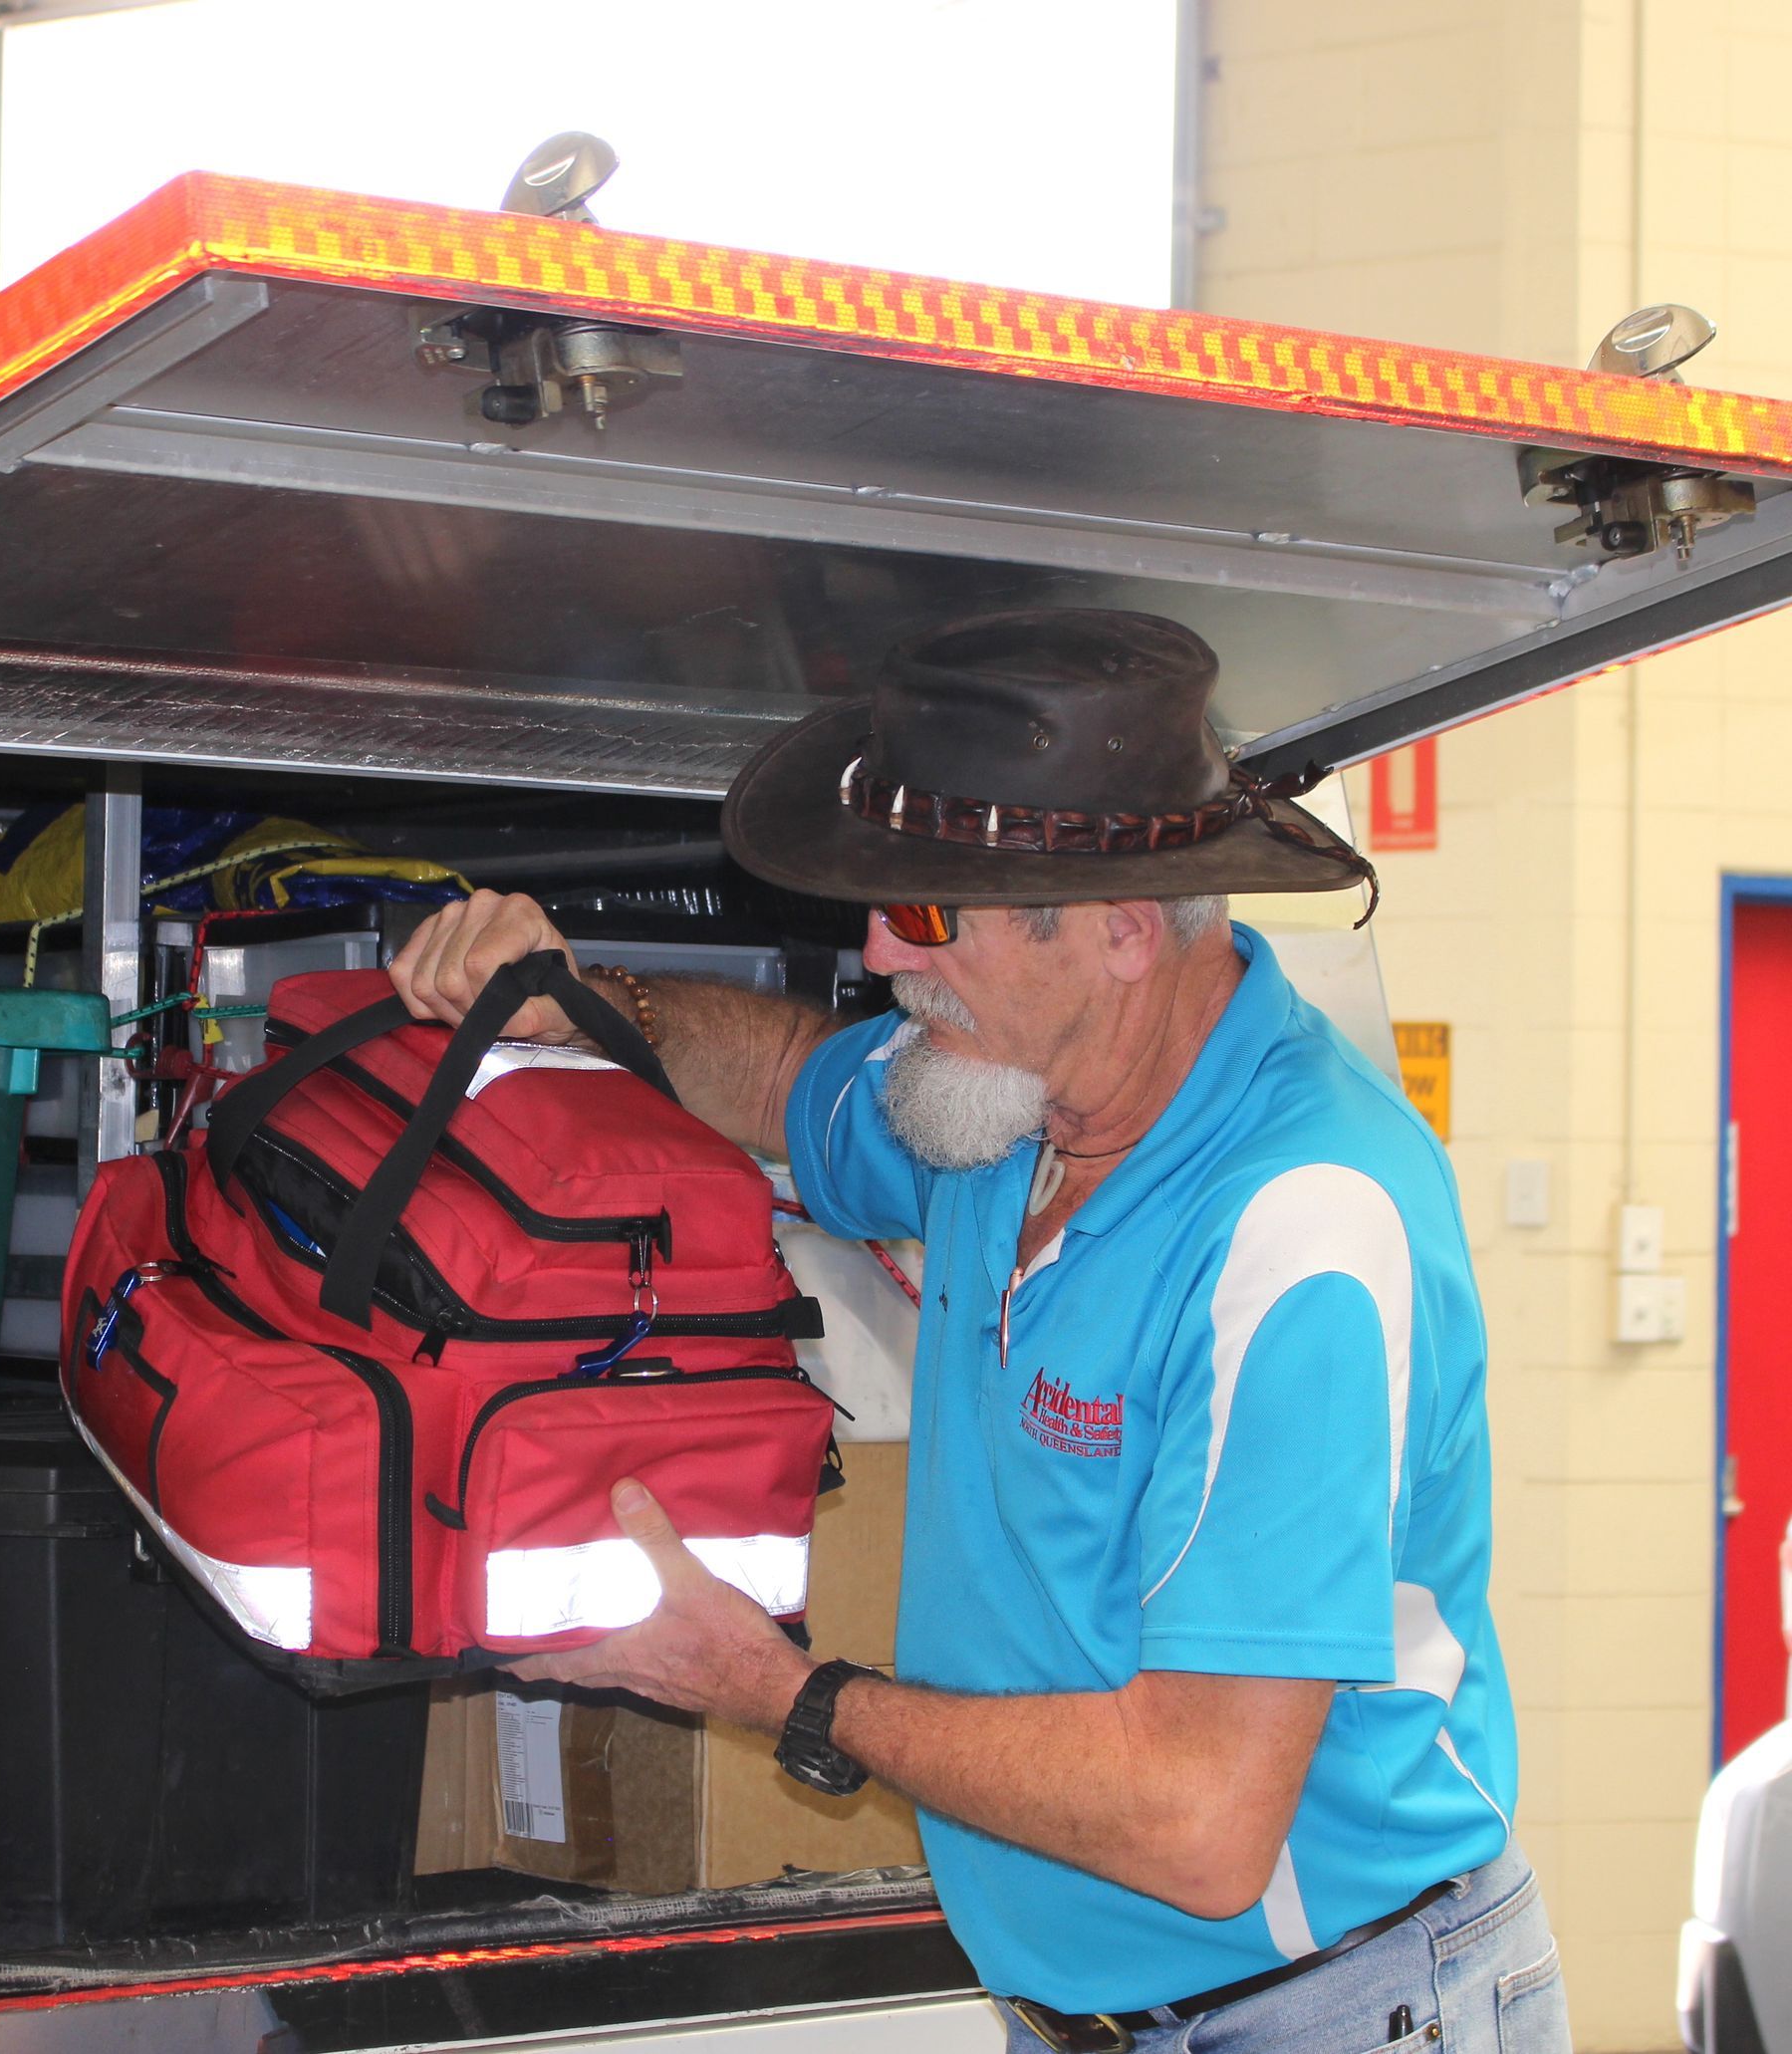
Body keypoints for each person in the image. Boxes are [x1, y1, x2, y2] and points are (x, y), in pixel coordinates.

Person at [388, 610, 1571, 2054]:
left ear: (1126, 931)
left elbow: (1201, 1821)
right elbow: (786, 1074)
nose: (881, 949)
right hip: (1088, 2017)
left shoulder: (1300, 1235)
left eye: (931, 910)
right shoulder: (1001, 1102)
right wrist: (582, 998)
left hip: (1329, 2014)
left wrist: (781, 1691)